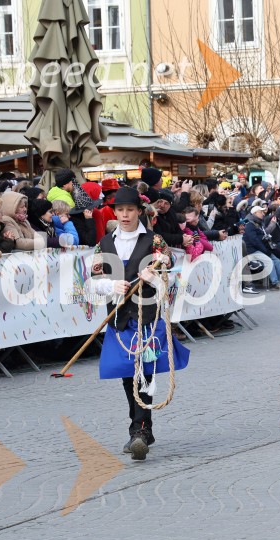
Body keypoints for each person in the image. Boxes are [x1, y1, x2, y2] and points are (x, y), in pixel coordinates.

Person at [89, 186, 190, 461]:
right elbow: (92, 283)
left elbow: (168, 274)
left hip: (147, 317)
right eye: (120, 210)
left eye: (130, 210)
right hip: (120, 318)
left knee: (143, 371)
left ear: (139, 212)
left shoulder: (154, 240)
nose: (124, 215)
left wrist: (154, 274)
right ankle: (142, 427)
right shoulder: (105, 243)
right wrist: (111, 284)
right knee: (126, 373)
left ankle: (139, 431)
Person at [243, 205, 280, 289]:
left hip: (261, 249)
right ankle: (275, 283)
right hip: (252, 251)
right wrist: (265, 250)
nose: (263, 214)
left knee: (277, 260)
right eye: (261, 212)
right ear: (255, 213)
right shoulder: (250, 224)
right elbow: (254, 241)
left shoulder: (259, 224)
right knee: (269, 262)